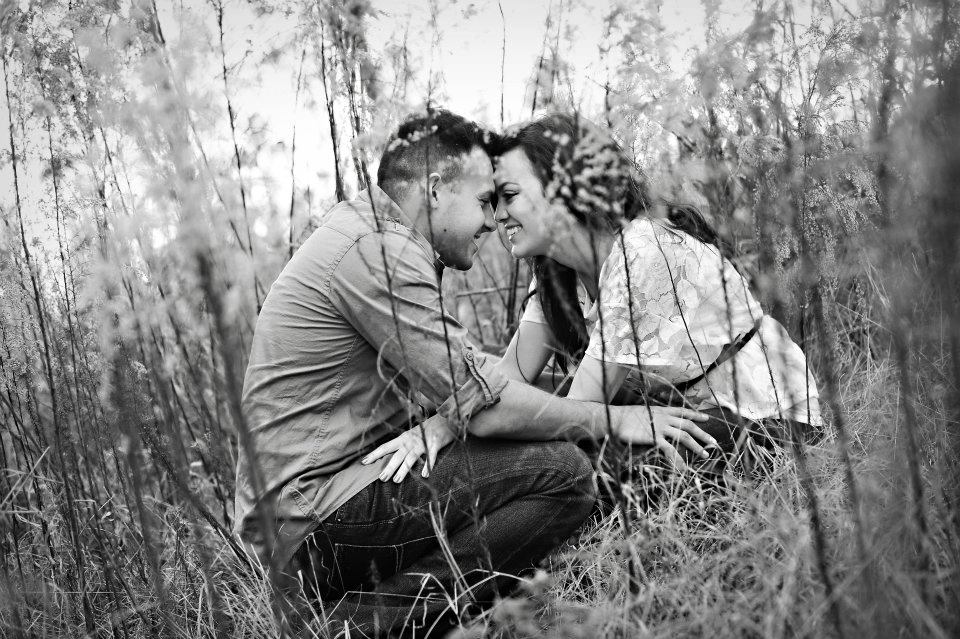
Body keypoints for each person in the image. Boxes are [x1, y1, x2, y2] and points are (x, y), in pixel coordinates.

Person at [233, 108, 715, 637]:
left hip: (320, 501)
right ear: (435, 190)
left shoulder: (372, 236)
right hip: (310, 521)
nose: (491, 220)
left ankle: (474, 601)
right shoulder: (378, 251)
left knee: (547, 400)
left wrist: (443, 422)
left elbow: (481, 384)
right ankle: (354, 626)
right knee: (563, 472)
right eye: (485, 200)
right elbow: (485, 404)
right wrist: (617, 420)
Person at [488, 113, 823, 477]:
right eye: (492, 200)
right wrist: (453, 420)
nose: (498, 215)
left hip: (764, 414)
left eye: (509, 196)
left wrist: (503, 424)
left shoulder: (644, 250)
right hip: (677, 407)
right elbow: (510, 378)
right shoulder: (555, 269)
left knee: (600, 468)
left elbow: (577, 413)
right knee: (538, 411)